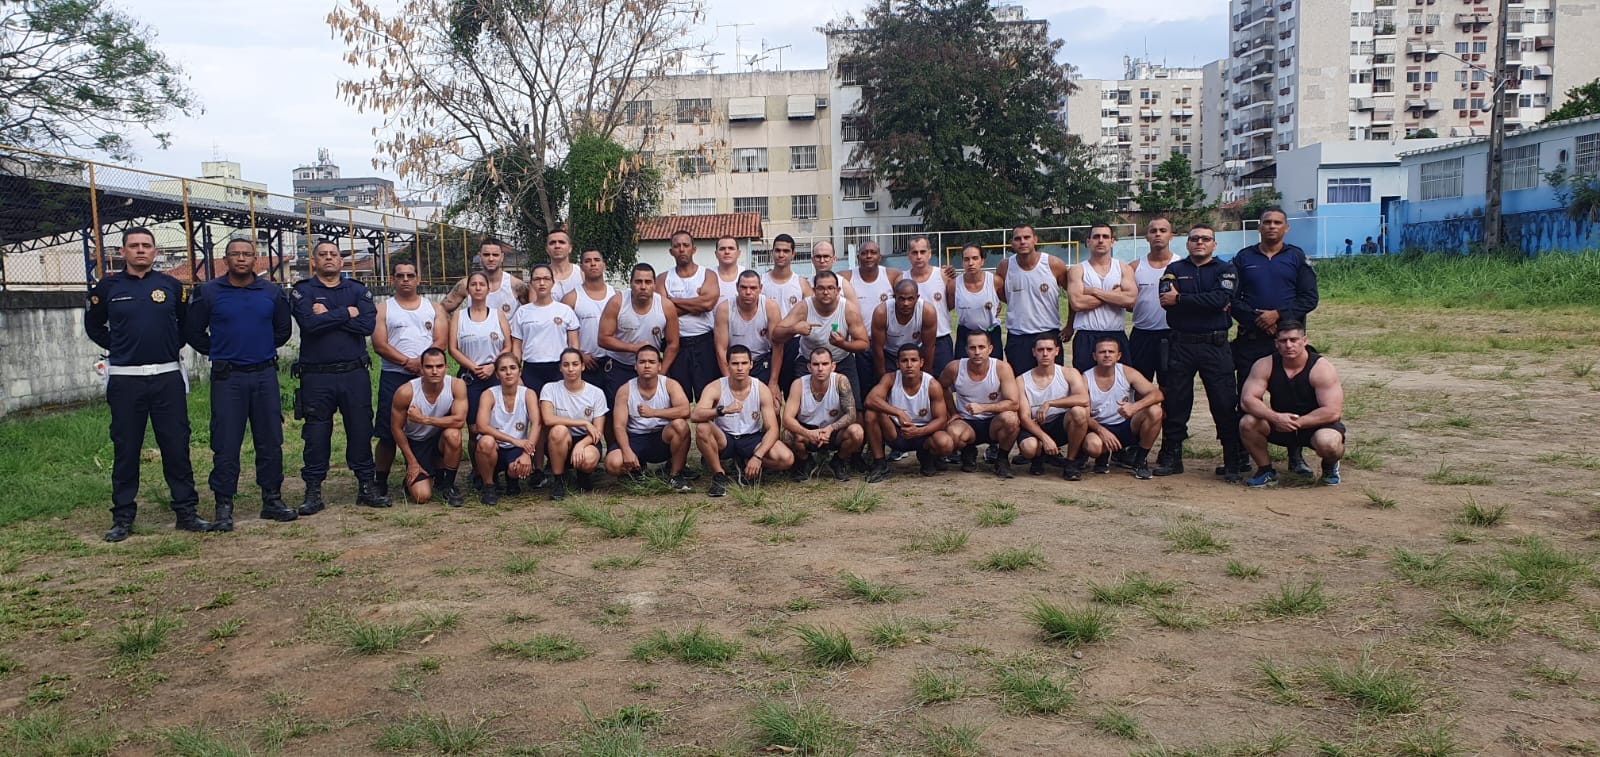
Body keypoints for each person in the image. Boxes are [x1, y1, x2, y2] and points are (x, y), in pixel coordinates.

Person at [85, 227, 209, 541]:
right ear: (123, 252)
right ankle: (123, 517)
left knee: (176, 446)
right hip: (126, 380)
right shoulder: (107, 287)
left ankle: (186, 512)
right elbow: (94, 326)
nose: (141, 250)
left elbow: (185, 326)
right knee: (126, 448)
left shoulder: (171, 286)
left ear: (155, 252)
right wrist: (121, 347)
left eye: (146, 246)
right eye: (134, 246)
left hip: (166, 377)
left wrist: (167, 346)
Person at [185, 237, 296, 531]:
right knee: (225, 442)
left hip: (263, 375)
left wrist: (256, 349)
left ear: (256, 260)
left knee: (270, 439)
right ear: (226, 259)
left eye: (248, 254)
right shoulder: (208, 292)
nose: (242, 259)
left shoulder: (271, 293)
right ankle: (224, 506)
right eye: (236, 254)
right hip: (228, 377)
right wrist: (223, 350)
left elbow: (283, 330)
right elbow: (194, 332)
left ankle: (272, 499)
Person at [289, 240, 388, 514]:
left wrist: (328, 316)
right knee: (316, 434)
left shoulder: (356, 290)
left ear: (341, 261)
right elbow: (309, 324)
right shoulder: (303, 291)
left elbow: (367, 325)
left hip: (354, 374)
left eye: (334, 254)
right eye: (323, 255)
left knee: (360, 430)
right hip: (316, 377)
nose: (329, 258)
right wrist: (346, 313)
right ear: (314, 261)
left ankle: (366, 486)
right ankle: (313, 491)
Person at [1154, 224, 1247, 481]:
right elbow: (1165, 301)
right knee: (1176, 402)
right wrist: (1203, 302)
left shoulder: (1226, 269)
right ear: (1187, 244)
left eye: (1205, 239)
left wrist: (1182, 300)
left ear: (1214, 244)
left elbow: (1220, 300)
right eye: (1194, 239)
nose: (1199, 243)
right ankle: (1172, 457)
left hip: (1215, 345)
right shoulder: (1174, 269)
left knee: (1224, 402)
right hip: (1181, 344)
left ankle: (1232, 460)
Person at [1231, 207, 1319, 476]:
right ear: (1258, 227)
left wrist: (1278, 317)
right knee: (1246, 397)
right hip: (1251, 340)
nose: (1271, 226)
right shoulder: (1243, 258)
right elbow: (1231, 299)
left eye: (1277, 222)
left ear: (1286, 228)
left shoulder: (1296, 257)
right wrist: (1257, 320)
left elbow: (1309, 298)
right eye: (1266, 222)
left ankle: (1295, 455)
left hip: (1287, 342)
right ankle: (1243, 454)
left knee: (1292, 398)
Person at [372, 261, 448, 499]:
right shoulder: (383, 309)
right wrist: (408, 362)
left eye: (410, 275)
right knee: (387, 432)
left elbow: (440, 340)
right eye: (400, 276)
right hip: (395, 375)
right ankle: (381, 481)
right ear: (393, 279)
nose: (405, 279)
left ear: (418, 279)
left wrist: (424, 365)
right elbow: (379, 344)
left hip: (429, 377)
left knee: (434, 427)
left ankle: (438, 475)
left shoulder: (433, 308)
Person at [1238, 321, 1345, 488]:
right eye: (1283, 341)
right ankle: (1266, 471)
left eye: (1294, 340)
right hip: (1279, 423)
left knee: (1329, 443)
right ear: (1276, 343)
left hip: (1315, 425)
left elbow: (1332, 411)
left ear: (1304, 341)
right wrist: (1275, 417)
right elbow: (1247, 400)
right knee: (1248, 422)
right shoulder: (1264, 364)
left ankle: (1330, 465)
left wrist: (1298, 422)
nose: (1288, 345)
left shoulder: (1322, 368)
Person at [691, 345, 793, 497]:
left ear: (751, 364)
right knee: (703, 428)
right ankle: (719, 475)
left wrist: (758, 457)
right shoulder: (715, 387)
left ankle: (746, 463)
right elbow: (695, 415)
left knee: (787, 459)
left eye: (744, 363)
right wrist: (722, 410)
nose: (740, 368)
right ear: (728, 365)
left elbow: (772, 429)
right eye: (735, 363)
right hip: (725, 438)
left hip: (751, 438)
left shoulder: (761, 388)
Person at [604, 345, 694, 492]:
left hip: (662, 436)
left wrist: (654, 412)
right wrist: (626, 451)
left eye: (651, 362)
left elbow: (685, 411)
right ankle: (636, 470)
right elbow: (619, 426)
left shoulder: (670, 384)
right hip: (635, 437)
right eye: (642, 362)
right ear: (635, 366)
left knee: (680, 425)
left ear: (659, 366)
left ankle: (675, 474)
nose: (646, 365)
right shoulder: (625, 390)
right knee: (612, 464)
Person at [863, 344, 957, 481]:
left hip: (924, 434)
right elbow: (870, 400)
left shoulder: (932, 384)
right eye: (904, 361)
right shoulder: (890, 378)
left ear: (921, 362)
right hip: (896, 432)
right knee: (871, 414)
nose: (909, 365)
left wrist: (919, 432)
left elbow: (941, 419)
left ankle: (927, 456)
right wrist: (898, 412)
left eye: (913, 360)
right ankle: (880, 463)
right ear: (897, 363)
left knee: (946, 443)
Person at [775, 270, 869, 406]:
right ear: (814, 290)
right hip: (809, 361)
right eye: (821, 288)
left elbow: (864, 344)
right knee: (799, 407)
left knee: (854, 407)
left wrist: (843, 344)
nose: (826, 292)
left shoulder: (848, 309)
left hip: (841, 360)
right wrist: (794, 329)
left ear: (838, 290)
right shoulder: (804, 307)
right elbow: (776, 334)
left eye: (830, 288)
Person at [389, 347, 468, 506]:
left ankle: (448, 486)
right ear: (421, 368)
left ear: (447, 367)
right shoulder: (406, 392)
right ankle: (420, 475)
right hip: (417, 441)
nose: (434, 371)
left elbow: (459, 421)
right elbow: (396, 429)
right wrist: (412, 462)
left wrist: (424, 419)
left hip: (439, 437)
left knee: (453, 434)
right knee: (421, 496)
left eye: (439, 366)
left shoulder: (456, 385)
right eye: (429, 367)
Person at [1079, 337, 1164, 479]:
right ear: (1094, 356)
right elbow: (1082, 415)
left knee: (1155, 411)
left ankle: (1140, 461)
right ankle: (1103, 455)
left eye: (1111, 352)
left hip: (1127, 425)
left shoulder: (1127, 372)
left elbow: (1157, 394)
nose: (1107, 355)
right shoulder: (1085, 378)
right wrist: (1101, 431)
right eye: (1102, 352)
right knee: (1092, 446)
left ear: (1118, 356)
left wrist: (1134, 407)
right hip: (1100, 428)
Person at [940, 331, 1021, 478]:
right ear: (966, 350)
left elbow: (1014, 403)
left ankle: (1002, 459)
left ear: (990, 349)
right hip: (967, 422)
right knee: (952, 432)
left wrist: (983, 407)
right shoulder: (955, 368)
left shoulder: (1002, 368)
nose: (977, 352)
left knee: (1011, 419)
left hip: (993, 423)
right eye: (973, 348)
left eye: (981, 347)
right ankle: (968, 451)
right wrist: (953, 413)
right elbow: (941, 387)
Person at [995, 224, 1070, 374]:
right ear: (1012, 243)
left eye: (1027, 237)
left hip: (1048, 333)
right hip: (1018, 336)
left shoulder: (1053, 264)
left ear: (1035, 239)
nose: (1022, 241)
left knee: (1052, 382)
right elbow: (1002, 294)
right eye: (1018, 238)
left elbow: (1073, 295)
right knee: (1020, 384)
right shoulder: (1005, 267)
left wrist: (1070, 325)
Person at [599, 263, 680, 401]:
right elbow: (603, 338)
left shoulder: (665, 306)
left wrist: (662, 371)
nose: (643, 286)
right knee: (616, 412)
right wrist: (633, 348)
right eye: (638, 282)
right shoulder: (617, 302)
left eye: (648, 282)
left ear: (654, 285)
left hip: (651, 368)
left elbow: (673, 344)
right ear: (630, 283)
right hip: (621, 365)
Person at [782, 347, 864, 482]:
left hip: (833, 431)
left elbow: (851, 414)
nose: (820, 368)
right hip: (807, 431)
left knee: (857, 432)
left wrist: (830, 429)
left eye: (825, 364)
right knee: (787, 435)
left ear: (833, 366)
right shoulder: (799, 384)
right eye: (815, 364)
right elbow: (787, 419)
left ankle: (839, 461)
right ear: (809, 367)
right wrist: (809, 433)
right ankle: (805, 462)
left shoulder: (840, 381)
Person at [1014, 335, 1090, 479]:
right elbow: (1024, 417)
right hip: (1035, 425)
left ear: (1057, 351)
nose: (1045, 353)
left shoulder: (1069, 373)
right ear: (1033, 352)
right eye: (1040, 349)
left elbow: (1084, 399)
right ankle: (1037, 458)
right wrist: (1045, 438)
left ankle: (1071, 463)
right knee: (1029, 448)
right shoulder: (1021, 380)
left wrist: (1050, 403)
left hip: (1059, 424)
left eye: (1049, 349)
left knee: (1079, 412)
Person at [447, 271, 511, 441]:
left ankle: (497, 463)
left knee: (498, 422)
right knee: (474, 428)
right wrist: (473, 367)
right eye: (473, 284)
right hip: (470, 376)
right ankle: (476, 467)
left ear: (488, 289)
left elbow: (508, 346)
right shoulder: (459, 316)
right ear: (467, 289)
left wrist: (493, 366)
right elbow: (453, 348)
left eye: (481, 284)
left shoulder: (498, 315)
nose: (477, 288)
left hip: (495, 374)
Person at [1066, 223, 1136, 373]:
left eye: (1105, 236)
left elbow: (1130, 300)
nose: (1101, 240)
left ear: (1112, 241)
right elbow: (1077, 303)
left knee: (1121, 384)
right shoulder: (1077, 270)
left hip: (1115, 334)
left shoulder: (1124, 268)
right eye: (1096, 236)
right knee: (1085, 385)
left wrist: (1094, 291)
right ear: (1088, 242)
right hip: (1087, 335)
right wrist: (1115, 296)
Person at [658, 231, 720, 402]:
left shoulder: (707, 274)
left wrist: (673, 301)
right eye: (677, 246)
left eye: (686, 245)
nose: (681, 249)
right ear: (671, 251)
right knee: (678, 399)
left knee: (708, 399)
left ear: (694, 249)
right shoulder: (663, 279)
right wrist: (697, 304)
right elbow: (662, 312)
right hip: (677, 345)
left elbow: (708, 305)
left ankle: (707, 430)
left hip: (705, 343)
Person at [540, 348, 609, 501]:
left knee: (588, 458)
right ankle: (559, 479)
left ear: (582, 366)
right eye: (566, 365)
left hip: (588, 439)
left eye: (575, 364)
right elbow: (548, 419)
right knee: (558, 430)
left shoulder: (596, 393)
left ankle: (583, 475)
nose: (571, 369)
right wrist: (583, 422)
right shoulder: (550, 389)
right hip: (559, 441)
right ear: (560, 368)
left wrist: (581, 445)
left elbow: (597, 430)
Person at [471, 354, 540, 506]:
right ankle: (489, 485)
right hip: (495, 446)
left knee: (516, 468)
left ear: (519, 372)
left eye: (513, 368)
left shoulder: (528, 394)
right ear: (496, 374)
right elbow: (481, 426)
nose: (508, 372)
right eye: (503, 369)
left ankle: (512, 479)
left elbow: (537, 424)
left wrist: (527, 453)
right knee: (485, 442)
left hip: (516, 448)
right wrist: (514, 440)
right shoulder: (489, 394)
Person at [509, 263, 580, 393]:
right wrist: (516, 372)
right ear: (530, 283)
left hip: (559, 369)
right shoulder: (522, 312)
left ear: (553, 282)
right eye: (537, 279)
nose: (542, 283)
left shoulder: (565, 311)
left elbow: (573, 344)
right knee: (533, 410)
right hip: (531, 370)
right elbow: (517, 347)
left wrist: (572, 368)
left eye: (546, 279)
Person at [842, 240, 902, 391]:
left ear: (880, 257)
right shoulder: (846, 278)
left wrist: (946, 271)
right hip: (860, 344)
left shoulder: (892, 276)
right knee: (863, 389)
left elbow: (910, 289)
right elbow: (823, 283)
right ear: (858, 257)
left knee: (886, 387)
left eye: (873, 252)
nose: (868, 256)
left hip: (886, 345)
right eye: (864, 253)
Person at [714, 269, 784, 393]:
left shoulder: (770, 307)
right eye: (743, 287)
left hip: (762, 361)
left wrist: (773, 382)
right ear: (737, 287)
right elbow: (721, 349)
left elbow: (777, 347)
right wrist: (727, 381)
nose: (748, 292)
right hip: (735, 362)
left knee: (774, 406)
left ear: (760, 288)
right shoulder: (724, 309)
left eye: (753, 288)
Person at [1128, 218, 1175, 384]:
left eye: (1163, 230)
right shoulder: (1134, 267)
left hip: (1172, 333)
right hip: (1142, 334)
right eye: (1153, 231)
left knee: (1170, 386)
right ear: (1146, 237)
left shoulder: (1181, 265)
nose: (1158, 234)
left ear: (1171, 236)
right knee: (1138, 385)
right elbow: (1127, 302)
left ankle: (1168, 411)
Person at [561, 248, 616, 389]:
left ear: (604, 265)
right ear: (581, 267)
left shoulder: (615, 295)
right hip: (586, 363)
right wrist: (579, 355)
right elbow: (561, 334)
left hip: (612, 361)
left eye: (597, 260)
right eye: (587, 261)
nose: (593, 264)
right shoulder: (571, 298)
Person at [763, 234, 813, 387]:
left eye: (785, 251)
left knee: (794, 391)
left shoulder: (801, 283)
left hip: (794, 343)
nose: (781, 254)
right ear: (772, 252)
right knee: (769, 394)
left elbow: (811, 313)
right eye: (777, 250)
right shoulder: (761, 282)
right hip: (767, 342)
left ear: (793, 254)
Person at [904, 236, 954, 376]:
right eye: (914, 252)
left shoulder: (944, 275)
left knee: (943, 384)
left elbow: (950, 304)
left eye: (922, 252)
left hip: (940, 338)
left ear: (930, 253)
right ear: (909, 255)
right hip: (912, 340)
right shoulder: (901, 279)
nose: (919, 256)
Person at [871, 278, 939, 379]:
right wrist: (883, 377)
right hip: (890, 354)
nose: (906, 303)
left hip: (915, 353)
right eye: (901, 299)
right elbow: (877, 348)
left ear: (917, 297)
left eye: (910, 299)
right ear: (894, 297)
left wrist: (925, 377)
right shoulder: (881, 312)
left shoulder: (927, 312)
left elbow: (929, 347)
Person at [440, 238, 526, 315]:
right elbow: (441, 310)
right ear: (480, 256)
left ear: (502, 257)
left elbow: (536, 311)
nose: (491, 259)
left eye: (495, 255)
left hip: (507, 332)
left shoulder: (516, 285)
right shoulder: (466, 284)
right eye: (486, 255)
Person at [949, 243, 1002, 356]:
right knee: (963, 370)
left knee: (994, 369)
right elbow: (946, 307)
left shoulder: (995, 281)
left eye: (975, 258)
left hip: (991, 332)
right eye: (966, 259)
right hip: (965, 334)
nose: (971, 263)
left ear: (982, 261)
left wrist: (997, 307)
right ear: (962, 262)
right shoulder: (954, 285)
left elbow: (1007, 300)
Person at [810, 240, 857, 306]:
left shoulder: (843, 285)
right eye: (818, 257)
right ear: (812, 260)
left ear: (834, 259)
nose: (822, 261)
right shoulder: (807, 285)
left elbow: (854, 312)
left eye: (826, 257)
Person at [545, 229, 583, 300]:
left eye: (561, 242)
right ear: (547, 249)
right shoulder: (540, 276)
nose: (557, 246)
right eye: (552, 243)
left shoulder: (582, 273)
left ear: (570, 248)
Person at [712, 235, 744, 307]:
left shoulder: (746, 275)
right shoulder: (708, 276)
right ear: (716, 254)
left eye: (731, 248)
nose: (727, 252)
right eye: (722, 249)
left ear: (738, 253)